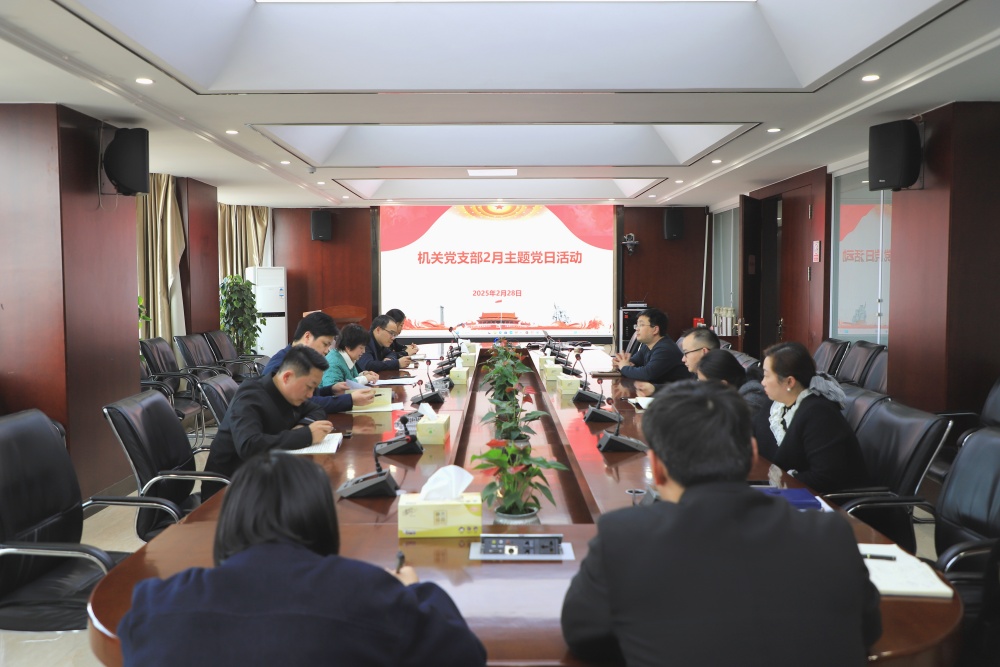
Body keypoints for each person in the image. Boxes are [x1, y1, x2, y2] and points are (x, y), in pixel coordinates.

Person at [561, 381, 882, 666]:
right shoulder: (831, 534)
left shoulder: (623, 538)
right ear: (752, 453)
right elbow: (867, 631)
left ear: (656, 467)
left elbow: (583, 636)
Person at [119, 452, 487, 667]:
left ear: (230, 520)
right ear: (321, 518)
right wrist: (415, 591)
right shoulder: (368, 593)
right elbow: (466, 655)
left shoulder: (156, 604)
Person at [202, 346, 334, 499]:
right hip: (230, 490)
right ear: (287, 377)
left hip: (266, 477)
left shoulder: (289, 393)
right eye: (309, 387)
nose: (311, 395)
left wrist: (302, 426)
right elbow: (249, 445)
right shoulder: (250, 396)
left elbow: (317, 409)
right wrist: (306, 435)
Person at [754, 341, 870, 493]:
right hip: (788, 490)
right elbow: (753, 438)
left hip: (824, 500)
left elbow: (825, 477)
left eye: (767, 375)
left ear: (789, 381)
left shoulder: (819, 414)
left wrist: (777, 485)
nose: (762, 382)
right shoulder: (776, 405)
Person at [261, 312, 374, 412]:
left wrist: (331, 390)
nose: (326, 351)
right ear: (307, 337)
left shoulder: (303, 359)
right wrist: (349, 400)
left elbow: (311, 395)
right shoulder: (280, 365)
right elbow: (303, 403)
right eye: (325, 344)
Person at [634, 327, 722, 396]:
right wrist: (653, 388)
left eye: (686, 353)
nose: (683, 359)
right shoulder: (698, 376)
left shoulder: (718, 387)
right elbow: (685, 389)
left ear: (704, 352)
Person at [611, 308, 687, 384]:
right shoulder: (648, 345)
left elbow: (647, 374)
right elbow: (634, 361)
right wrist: (621, 362)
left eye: (641, 325)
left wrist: (624, 367)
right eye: (637, 325)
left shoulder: (665, 349)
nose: (637, 329)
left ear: (655, 330)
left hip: (675, 391)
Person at [697, 348, 770, 418]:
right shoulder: (731, 396)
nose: (700, 388)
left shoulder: (751, 399)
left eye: (704, 384)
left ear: (722, 384)